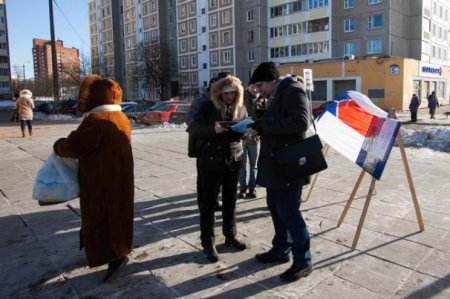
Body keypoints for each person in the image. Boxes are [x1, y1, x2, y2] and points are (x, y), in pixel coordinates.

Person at [53, 77, 134, 283]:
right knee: (118, 215)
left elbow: (75, 146)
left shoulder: (96, 120)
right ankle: (119, 250)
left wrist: (59, 145)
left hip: (99, 181)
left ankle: (113, 255)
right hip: (120, 179)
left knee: (99, 218)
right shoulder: (121, 117)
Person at [247, 62, 313, 283]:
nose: (259, 89)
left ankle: (303, 260)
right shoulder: (274, 95)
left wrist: (265, 124)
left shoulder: (293, 90)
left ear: (272, 79)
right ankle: (281, 249)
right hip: (275, 165)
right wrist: (258, 123)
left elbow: (300, 122)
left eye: (260, 84)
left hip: (289, 165)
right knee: (276, 208)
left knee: (290, 213)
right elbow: (272, 122)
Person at [189, 75, 248, 262]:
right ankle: (208, 242)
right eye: (226, 93)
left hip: (234, 158)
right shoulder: (207, 107)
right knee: (208, 204)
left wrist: (247, 131)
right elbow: (195, 129)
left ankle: (230, 235)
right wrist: (213, 130)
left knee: (231, 201)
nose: (229, 97)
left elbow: (245, 126)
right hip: (210, 161)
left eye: (233, 93)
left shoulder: (241, 107)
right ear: (218, 93)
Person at [186, 72, 230, 211]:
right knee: (203, 180)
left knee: (218, 179)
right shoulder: (201, 102)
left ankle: (214, 201)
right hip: (203, 146)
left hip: (221, 147)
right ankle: (203, 204)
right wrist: (210, 128)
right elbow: (190, 122)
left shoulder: (228, 102)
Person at [238, 84, 264, 199]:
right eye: (252, 86)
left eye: (256, 87)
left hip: (255, 137)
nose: (254, 89)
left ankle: (253, 188)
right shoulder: (240, 97)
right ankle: (242, 188)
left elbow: (264, 118)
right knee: (241, 165)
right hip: (242, 136)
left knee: (254, 165)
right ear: (248, 87)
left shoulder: (263, 99)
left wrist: (259, 134)